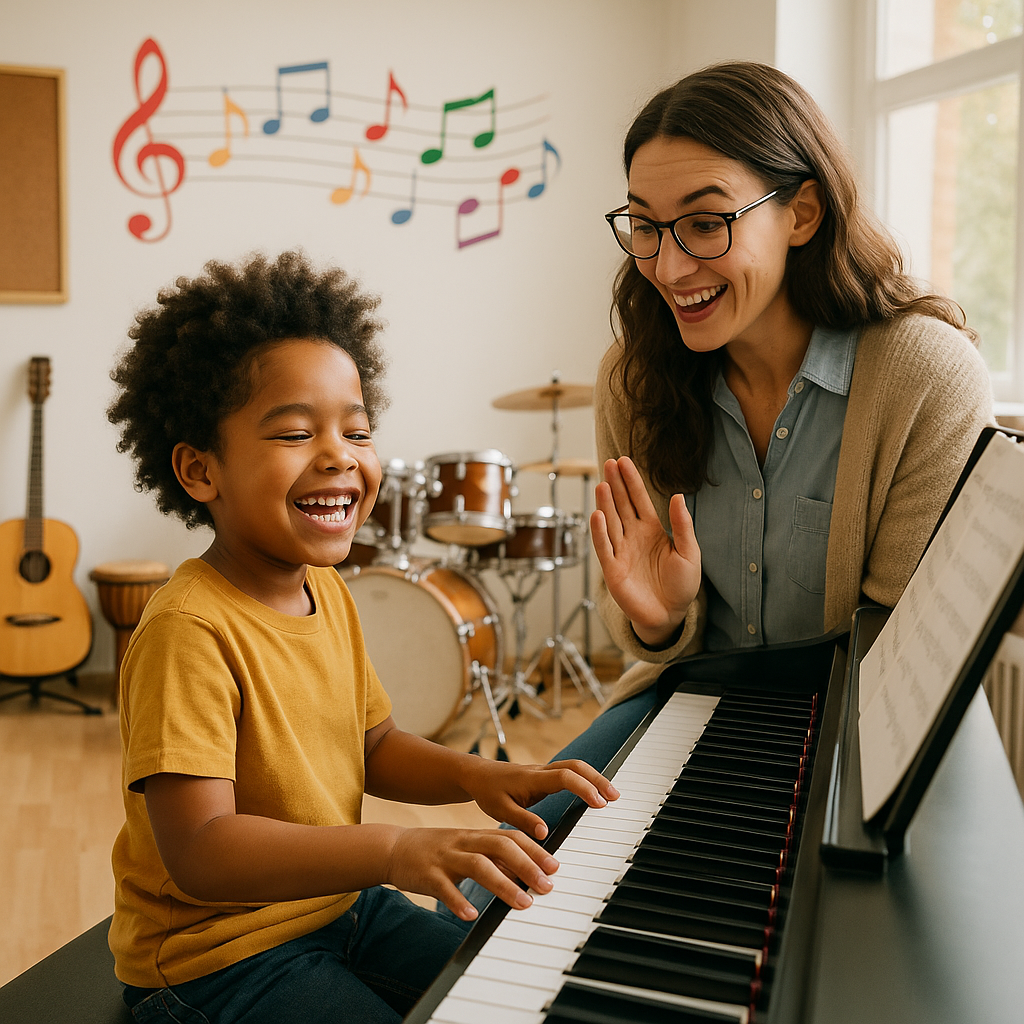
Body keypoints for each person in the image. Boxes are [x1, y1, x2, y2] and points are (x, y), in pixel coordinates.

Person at [455, 61, 994, 918]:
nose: (669, 267)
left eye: (706, 224)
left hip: (844, 735)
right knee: (513, 890)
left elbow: (892, 661)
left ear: (802, 213)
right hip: (688, 698)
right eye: (644, 226)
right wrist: (659, 617)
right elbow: (651, 642)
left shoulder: (923, 373)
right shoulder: (634, 379)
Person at [104, 251, 619, 1024]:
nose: (340, 455)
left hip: (336, 909)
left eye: (357, 430)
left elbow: (374, 744)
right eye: (295, 433)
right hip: (216, 962)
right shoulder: (187, 630)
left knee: (510, 993)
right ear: (200, 470)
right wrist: (392, 850)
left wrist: (480, 777)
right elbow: (202, 848)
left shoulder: (328, 592)